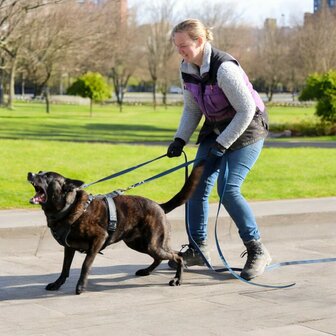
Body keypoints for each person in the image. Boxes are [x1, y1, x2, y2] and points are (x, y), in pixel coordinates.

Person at [166, 19, 271, 280]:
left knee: (228, 188)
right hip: (216, 129)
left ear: (200, 41)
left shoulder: (224, 69)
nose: (180, 51)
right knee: (196, 185)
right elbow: (192, 108)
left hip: (248, 128)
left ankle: (257, 249)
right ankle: (198, 249)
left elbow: (246, 110)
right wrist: (180, 139)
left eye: (184, 46)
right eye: (176, 46)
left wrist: (223, 144)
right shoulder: (186, 67)